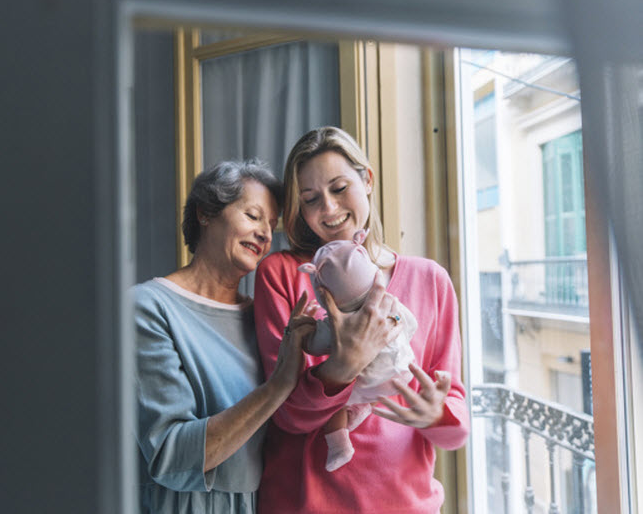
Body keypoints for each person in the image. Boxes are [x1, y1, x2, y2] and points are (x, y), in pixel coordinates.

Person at [254, 126, 470, 513]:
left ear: (366, 180)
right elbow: (282, 411)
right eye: (310, 199)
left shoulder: (430, 280)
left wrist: (437, 414)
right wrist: (343, 366)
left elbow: (456, 425)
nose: (329, 209)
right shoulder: (285, 274)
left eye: (339, 188)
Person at [134, 160, 315, 513]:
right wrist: (277, 386)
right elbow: (171, 456)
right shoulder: (148, 307)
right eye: (252, 215)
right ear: (205, 213)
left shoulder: (262, 315)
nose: (265, 233)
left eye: (271, 224)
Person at [297, 227, 418, 472]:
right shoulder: (388, 302)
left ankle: (340, 446)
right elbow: (411, 323)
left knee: (335, 402)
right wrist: (400, 342)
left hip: (365, 379)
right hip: (402, 370)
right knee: (365, 394)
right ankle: (364, 407)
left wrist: (305, 327)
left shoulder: (336, 324)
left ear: (324, 293)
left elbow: (311, 345)